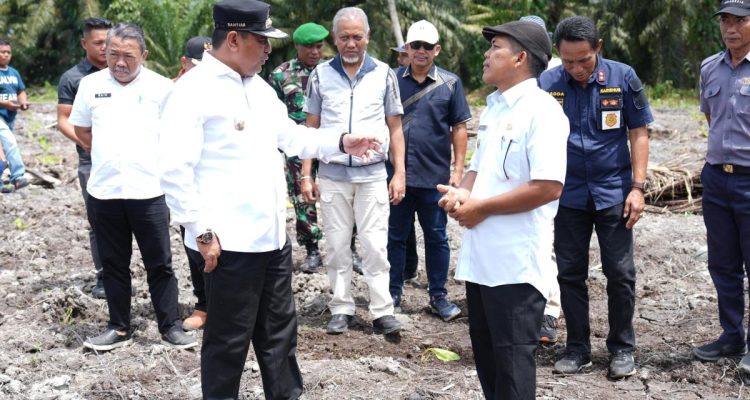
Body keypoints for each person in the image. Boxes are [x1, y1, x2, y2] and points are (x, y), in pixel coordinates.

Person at [158, 1, 384, 398]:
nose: (268, 50)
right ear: (233, 39)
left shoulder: (259, 89)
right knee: (228, 343)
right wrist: (199, 231)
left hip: (272, 241)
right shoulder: (192, 91)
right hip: (228, 245)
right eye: (261, 41)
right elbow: (175, 170)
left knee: (280, 336)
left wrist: (342, 142)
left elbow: (294, 138)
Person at [437, 20, 568, 399]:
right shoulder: (495, 107)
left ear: (521, 57)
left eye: (496, 46)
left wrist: (481, 209)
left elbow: (548, 186)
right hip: (482, 262)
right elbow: (480, 168)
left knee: (512, 372)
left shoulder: (542, 112)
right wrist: (461, 193)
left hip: (515, 265)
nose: (487, 54)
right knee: (489, 366)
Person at [69, 23, 196, 351]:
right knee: (113, 263)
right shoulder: (90, 85)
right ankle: (118, 327)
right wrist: (108, 155)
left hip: (149, 192)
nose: (120, 63)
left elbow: (175, 136)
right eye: (113, 55)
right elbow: (81, 130)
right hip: (104, 192)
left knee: (160, 263)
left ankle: (169, 326)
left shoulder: (161, 88)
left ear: (144, 55)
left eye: (128, 56)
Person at [539, 15, 652, 379]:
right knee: (570, 274)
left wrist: (637, 188)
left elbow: (639, 132)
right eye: (568, 61)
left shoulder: (622, 78)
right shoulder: (547, 83)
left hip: (613, 193)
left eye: (584, 60)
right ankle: (578, 348)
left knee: (620, 273)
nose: (576, 68)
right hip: (567, 195)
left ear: (598, 48)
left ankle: (621, 348)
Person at [304, 6, 405, 336]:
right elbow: (311, 126)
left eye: (357, 37)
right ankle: (342, 306)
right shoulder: (320, 76)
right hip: (332, 175)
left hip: (373, 174)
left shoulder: (384, 73)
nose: (351, 43)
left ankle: (381, 310)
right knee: (335, 246)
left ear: (367, 38)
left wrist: (399, 172)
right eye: (344, 37)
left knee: (376, 245)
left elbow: (396, 127)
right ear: (334, 38)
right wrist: (307, 174)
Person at [388, 19, 471, 321]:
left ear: (436, 50)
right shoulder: (391, 80)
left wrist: (458, 170)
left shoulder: (450, 83)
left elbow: (459, 127)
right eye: (415, 46)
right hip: (396, 175)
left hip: (434, 177)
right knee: (395, 235)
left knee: (436, 236)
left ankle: (438, 295)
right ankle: (393, 292)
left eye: (427, 46)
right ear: (406, 49)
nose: (421, 51)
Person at [692, 0, 750, 370]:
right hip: (717, 179)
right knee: (724, 264)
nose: (730, 28)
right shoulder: (709, 68)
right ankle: (732, 335)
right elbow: (711, 116)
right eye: (725, 22)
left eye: (740, 21)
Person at [57, 17, 113, 299]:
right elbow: (63, 120)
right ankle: (105, 276)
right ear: (84, 44)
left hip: (130, 159)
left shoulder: (125, 71)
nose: (104, 47)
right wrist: (88, 144)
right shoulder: (74, 78)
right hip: (91, 161)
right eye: (98, 43)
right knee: (99, 220)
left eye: (108, 41)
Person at [268, 22, 328, 274]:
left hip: (329, 145)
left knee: (342, 195)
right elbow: (272, 114)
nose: (315, 52)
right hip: (296, 149)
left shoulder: (331, 72)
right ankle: (312, 249)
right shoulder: (281, 75)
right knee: (302, 198)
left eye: (319, 46)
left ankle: (350, 248)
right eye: (309, 47)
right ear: (297, 46)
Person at [519, 14, 563, 343]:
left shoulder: (559, 70)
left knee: (547, 244)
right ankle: (526, 307)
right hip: (524, 171)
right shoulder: (515, 71)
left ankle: (548, 311)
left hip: (554, 170)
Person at [172, 35, 212, 332]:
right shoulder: (172, 92)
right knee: (194, 245)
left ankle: (225, 305)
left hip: (218, 182)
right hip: (187, 183)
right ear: (185, 63)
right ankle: (204, 305)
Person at [0, 39, 30, 194]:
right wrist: (5, 104)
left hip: (9, 116)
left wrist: (23, 102)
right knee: (10, 143)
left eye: (8, 52)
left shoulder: (13, 73)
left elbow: (20, 90)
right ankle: (18, 177)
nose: (5, 55)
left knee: (3, 149)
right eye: (2, 52)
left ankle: (2, 183)